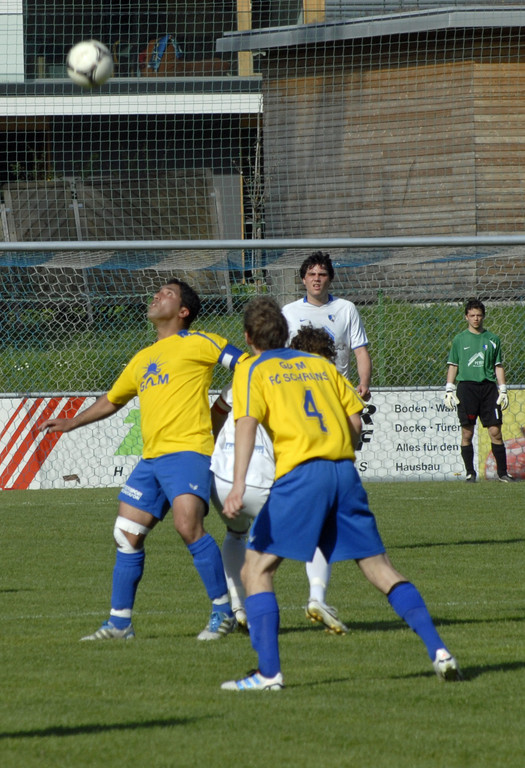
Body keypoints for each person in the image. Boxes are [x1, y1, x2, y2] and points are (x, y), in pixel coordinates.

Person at [220, 296, 461, 691]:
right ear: (285, 332)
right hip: (344, 472)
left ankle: (267, 674)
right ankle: (439, 650)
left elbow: (245, 423)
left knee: (256, 569)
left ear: (248, 337)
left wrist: (239, 484)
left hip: (302, 474)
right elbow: (355, 423)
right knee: (380, 568)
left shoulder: (252, 369)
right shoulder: (320, 365)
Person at [39, 278, 248, 642]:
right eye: (158, 292)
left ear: (183, 311)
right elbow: (112, 399)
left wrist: (226, 402)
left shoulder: (200, 341)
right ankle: (120, 623)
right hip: (151, 460)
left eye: (168, 293)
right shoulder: (142, 358)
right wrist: (72, 422)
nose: (157, 296)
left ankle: (223, 612)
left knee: (188, 526)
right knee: (126, 533)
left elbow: (247, 365)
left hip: (188, 450)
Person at [210, 326, 346, 633]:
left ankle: (238, 607)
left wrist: (218, 445)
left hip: (220, 478)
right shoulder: (302, 381)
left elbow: (217, 412)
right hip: (260, 478)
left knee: (235, 534)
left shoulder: (245, 371)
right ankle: (316, 598)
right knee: (318, 530)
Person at [282, 251, 372, 630]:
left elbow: (360, 350)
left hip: (337, 393)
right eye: (311, 274)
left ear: (330, 279)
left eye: (322, 274)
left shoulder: (345, 309)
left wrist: (363, 383)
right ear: (303, 279)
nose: (317, 279)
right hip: (301, 397)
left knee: (340, 456)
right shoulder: (289, 312)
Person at [444, 298, 514, 483]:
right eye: (472, 315)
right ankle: (470, 473)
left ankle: (502, 473)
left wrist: (503, 389)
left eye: (479, 315)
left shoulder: (493, 339)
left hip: (488, 389)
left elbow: (498, 365)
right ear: (466, 317)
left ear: (483, 317)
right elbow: (453, 365)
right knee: (467, 432)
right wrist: (449, 389)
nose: (476, 318)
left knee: (495, 431)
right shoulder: (459, 339)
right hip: (467, 389)